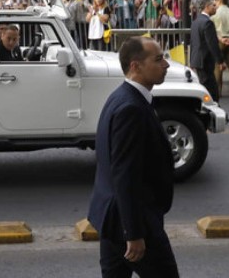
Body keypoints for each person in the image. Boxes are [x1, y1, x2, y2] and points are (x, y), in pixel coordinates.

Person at [88, 36, 179, 278]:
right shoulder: (131, 108)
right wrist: (134, 233)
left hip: (112, 219)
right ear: (135, 66)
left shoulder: (122, 96)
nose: (166, 65)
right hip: (133, 224)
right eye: (158, 59)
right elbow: (124, 175)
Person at [190, 0, 226, 101]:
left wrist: (192, 61)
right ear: (207, 7)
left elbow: (193, 42)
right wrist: (220, 61)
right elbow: (213, 44)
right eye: (213, 6)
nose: (216, 8)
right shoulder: (207, 23)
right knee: (212, 92)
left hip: (197, 60)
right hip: (205, 61)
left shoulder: (196, 21)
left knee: (205, 88)